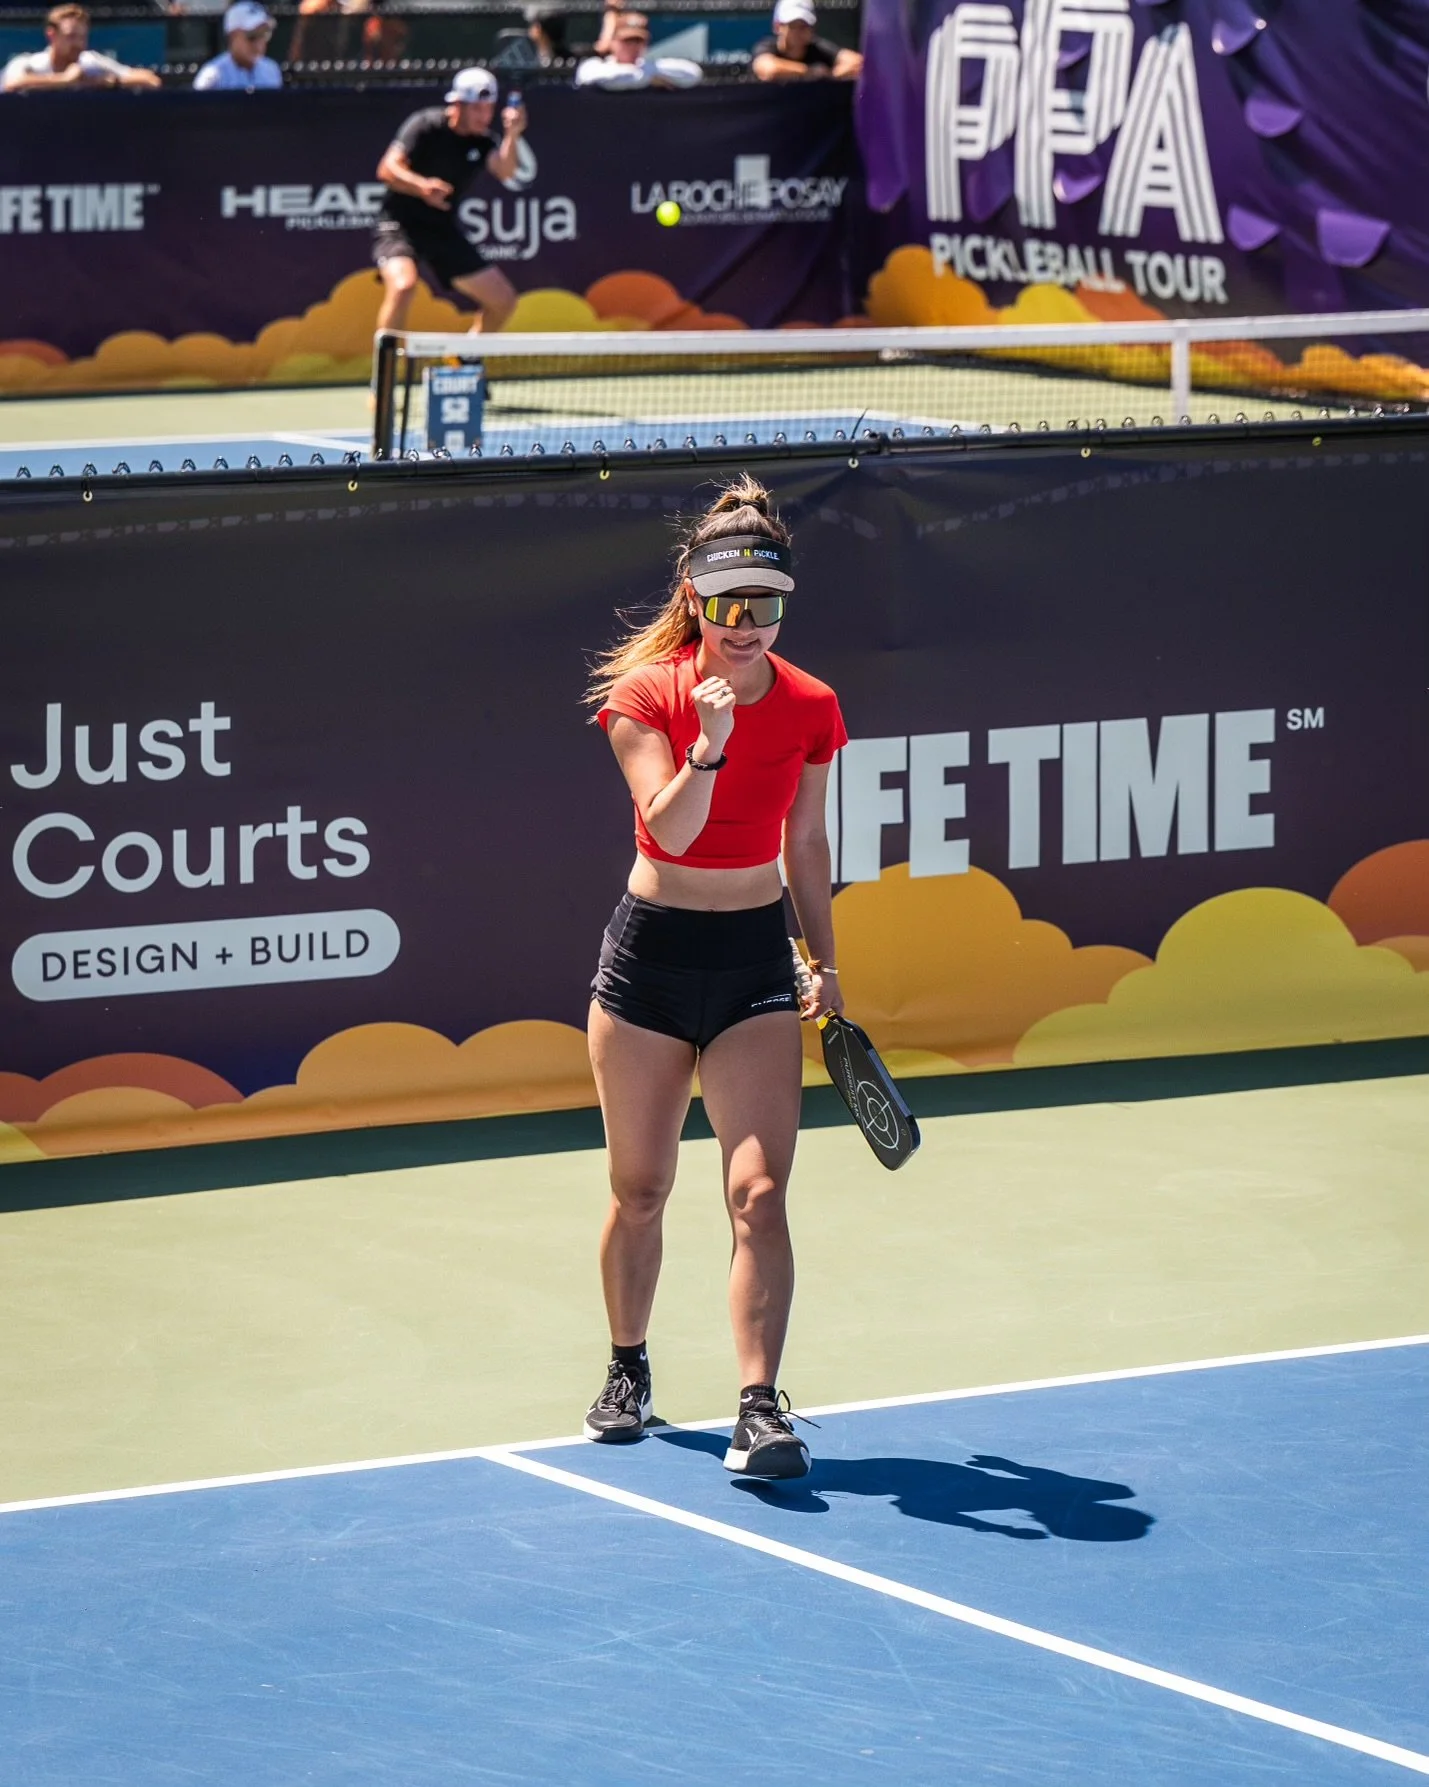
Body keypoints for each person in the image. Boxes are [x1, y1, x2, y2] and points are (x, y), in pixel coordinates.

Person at [583, 476, 847, 1480]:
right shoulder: (644, 697)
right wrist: (710, 746)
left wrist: (825, 962)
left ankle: (758, 1408)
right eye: (729, 603)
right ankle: (627, 1366)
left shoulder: (813, 704)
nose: (746, 625)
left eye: (764, 605)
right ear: (694, 597)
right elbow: (672, 832)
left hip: (752, 963)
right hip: (648, 964)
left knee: (760, 1194)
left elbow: (806, 841)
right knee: (641, 1187)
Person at [372, 67, 524, 340]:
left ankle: (464, 359)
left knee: (503, 301)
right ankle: (386, 366)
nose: (484, 116)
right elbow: (386, 169)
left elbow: (505, 171)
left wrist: (512, 134)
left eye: (489, 109)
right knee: (404, 286)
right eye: (477, 109)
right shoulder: (425, 125)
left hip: (441, 229)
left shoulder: (483, 142)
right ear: (457, 105)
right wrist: (421, 187)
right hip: (399, 225)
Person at [2, 3, 161, 91]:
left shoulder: (91, 63)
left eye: (83, 37)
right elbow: (11, 85)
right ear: (51, 35)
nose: (78, 44)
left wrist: (107, 82)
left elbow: (151, 81)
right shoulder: (28, 64)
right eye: (71, 36)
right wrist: (64, 80)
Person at [575, 11, 702, 90]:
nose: (633, 47)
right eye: (627, 41)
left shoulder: (650, 67)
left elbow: (693, 73)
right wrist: (648, 79)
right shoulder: (595, 66)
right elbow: (595, 78)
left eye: (638, 41)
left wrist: (646, 74)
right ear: (613, 41)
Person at [752, 0, 862, 82]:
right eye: (793, 26)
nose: (799, 32)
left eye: (804, 26)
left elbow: (858, 62)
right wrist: (811, 72)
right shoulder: (766, 46)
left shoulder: (818, 47)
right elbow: (769, 69)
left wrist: (831, 76)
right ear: (777, 27)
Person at [193, 1, 282, 90]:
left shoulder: (272, 70)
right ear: (232, 36)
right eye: (252, 36)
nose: (259, 43)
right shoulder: (212, 76)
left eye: (264, 35)